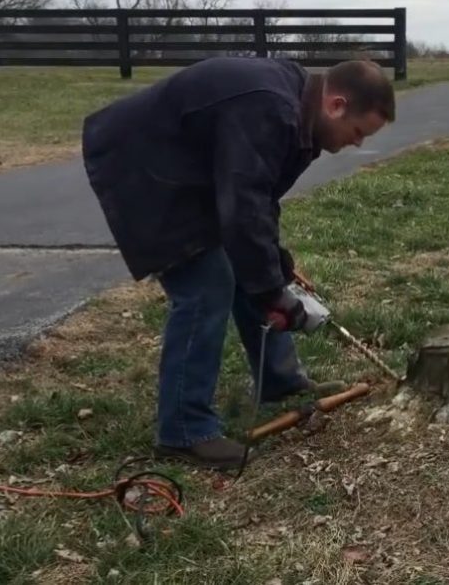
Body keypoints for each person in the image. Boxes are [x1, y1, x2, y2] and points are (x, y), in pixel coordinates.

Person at [81, 56, 396, 470]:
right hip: (143, 163)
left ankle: (279, 382)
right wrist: (271, 292)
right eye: (357, 132)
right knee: (205, 285)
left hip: (194, 167)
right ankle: (183, 431)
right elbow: (242, 205)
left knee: (254, 268)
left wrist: (276, 269)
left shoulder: (300, 114)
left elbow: (258, 200)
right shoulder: (269, 108)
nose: (356, 143)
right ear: (336, 105)